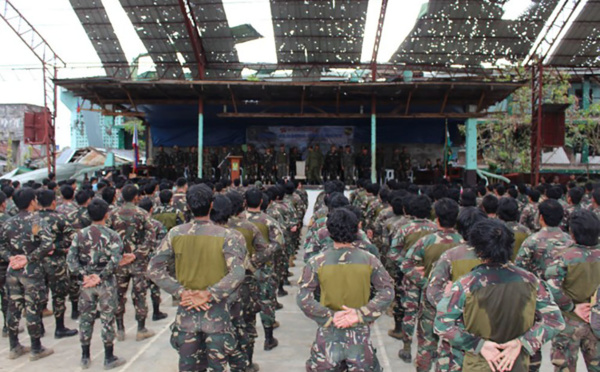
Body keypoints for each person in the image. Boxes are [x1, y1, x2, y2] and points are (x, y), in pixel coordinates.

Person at [435, 219, 565, 371]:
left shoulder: (466, 284)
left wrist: (478, 344)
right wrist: (522, 342)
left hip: (479, 364)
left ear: (479, 251)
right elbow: (555, 321)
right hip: (515, 363)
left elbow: (442, 324)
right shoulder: (531, 281)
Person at [148, 184, 246, 372]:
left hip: (186, 313)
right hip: (217, 314)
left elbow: (154, 268)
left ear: (188, 206)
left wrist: (180, 291)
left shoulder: (176, 234)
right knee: (217, 367)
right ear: (211, 205)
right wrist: (209, 294)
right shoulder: (228, 236)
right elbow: (237, 273)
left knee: (188, 366)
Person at [297, 208, 394, 371]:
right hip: (359, 335)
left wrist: (329, 316)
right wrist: (360, 313)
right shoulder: (370, 260)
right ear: (357, 230)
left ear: (329, 232)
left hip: (328, 334)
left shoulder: (317, 262)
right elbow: (387, 291)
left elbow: (303, 297)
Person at [400, 198, 464, 371]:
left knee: (427, 344)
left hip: (430, 302)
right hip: (457, 302)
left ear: (437, 219)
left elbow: (406, 264)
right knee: (454, 346)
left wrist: (426, 283)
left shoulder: (426, 241)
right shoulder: (463, 243)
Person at [67, 199, 126, 369]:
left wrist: (84, 275)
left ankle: (85, 356)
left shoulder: (79, 235)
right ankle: (109, 357)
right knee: (107, 319)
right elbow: (115, 260)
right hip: (106, 283)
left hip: (86, 285)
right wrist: (101, 276)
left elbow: (71, 260)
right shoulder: (113, 235)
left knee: (86, 318)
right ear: (106, 214)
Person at [0, 188, 54, 360]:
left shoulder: (8, 222)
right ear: (32, 201)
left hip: (13, 271)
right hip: (31, 271)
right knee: (33, 307)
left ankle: (14, 346)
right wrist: (29, 258)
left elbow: (1, 246)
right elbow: (47, 245)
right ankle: (36, 348)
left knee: (13, 307)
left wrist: (11, 258)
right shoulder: (37, 221)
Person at [545, 209, 600, 371]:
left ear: (572, 233)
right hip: (596, 321)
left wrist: (572, 306)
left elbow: (550, 287)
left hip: (569, 322)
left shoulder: (564, 257)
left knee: (564, 368)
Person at [106, 185, 156, 342]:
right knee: (139, 293)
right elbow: (151, 236)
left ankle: (120, 329)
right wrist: (137, 254)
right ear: (136, 197)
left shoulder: (113, 214)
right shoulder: (142, 214)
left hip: (120, 262)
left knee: (118, 294)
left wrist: (117, 255)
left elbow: (106, 237)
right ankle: (141, 329)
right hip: (138, 262)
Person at [36, 190, 79, 339]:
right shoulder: (60, 218)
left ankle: (39, 327)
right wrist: (59, 246)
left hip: (36, 263)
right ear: (54, 202)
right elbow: (73, 238)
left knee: (39, 294)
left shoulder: (32, 219)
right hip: (56, 262)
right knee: (58, 294)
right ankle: (59, 327)